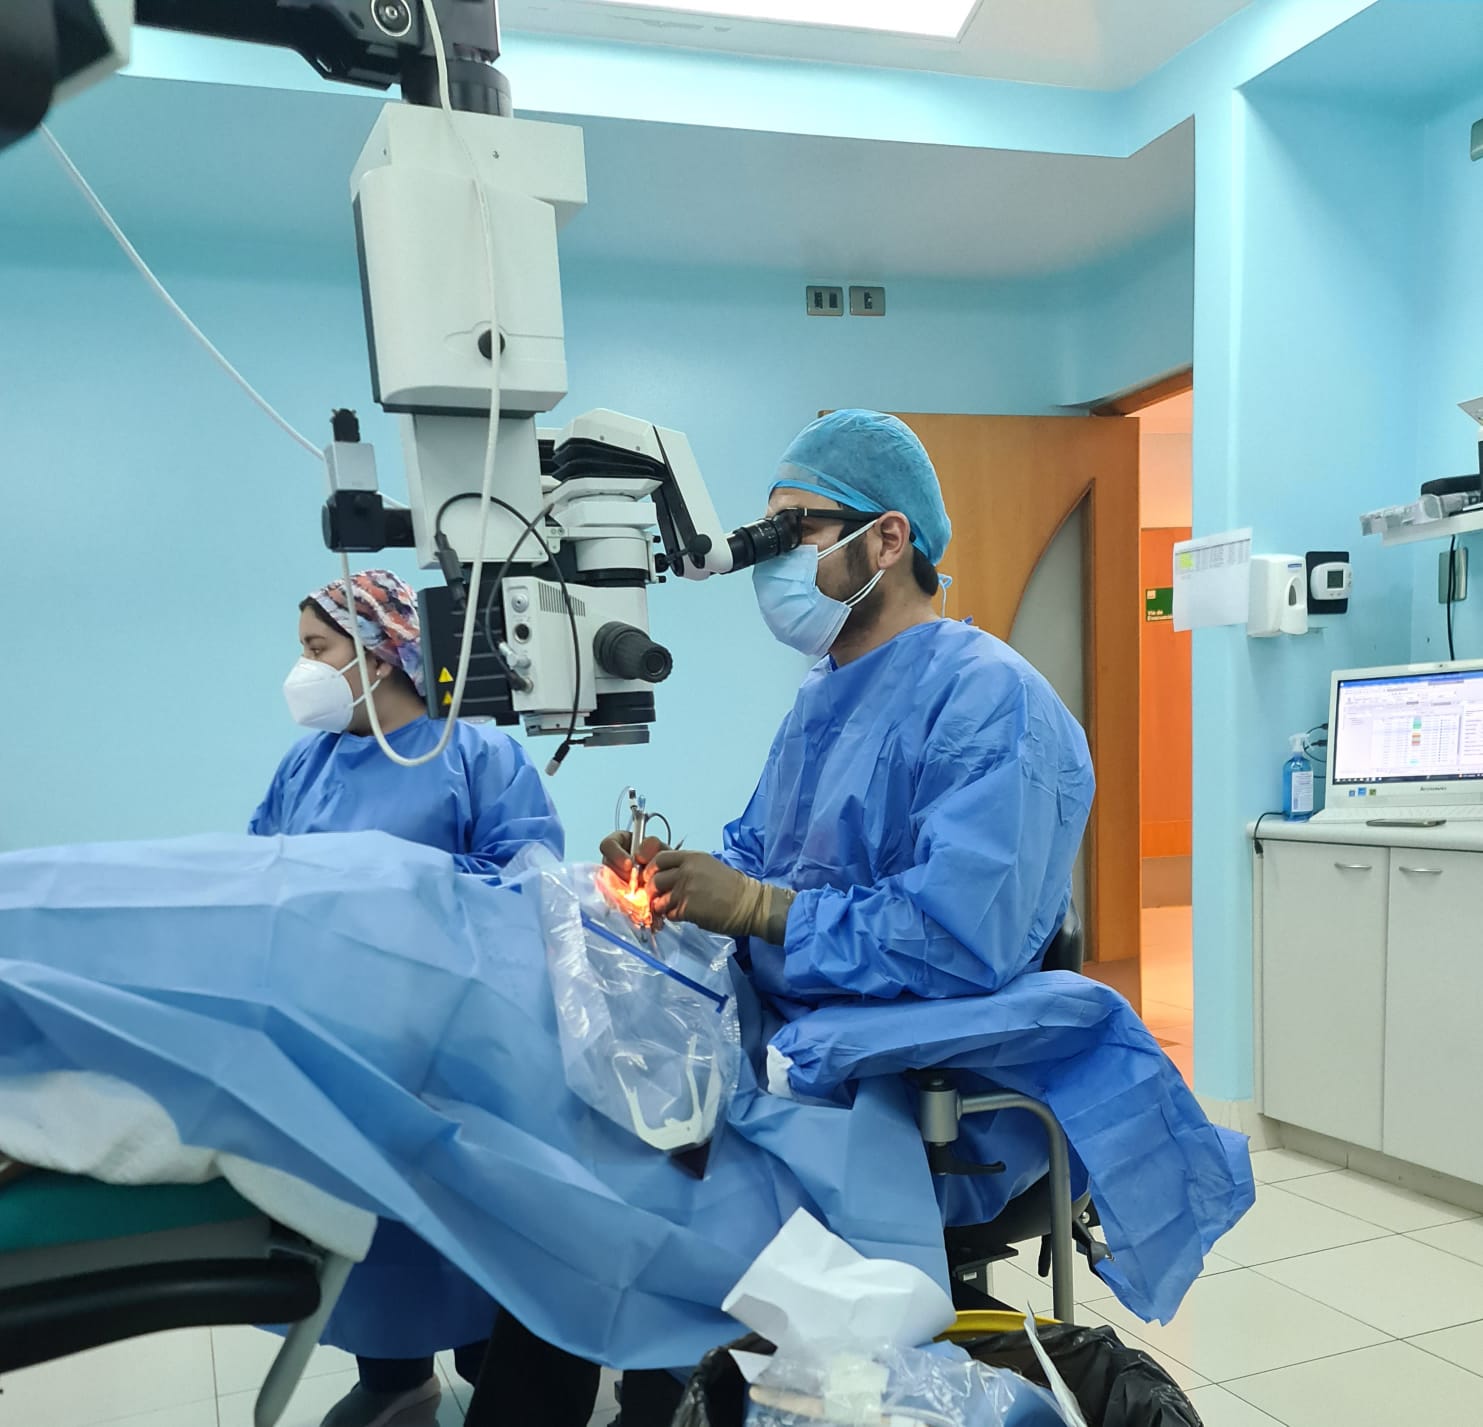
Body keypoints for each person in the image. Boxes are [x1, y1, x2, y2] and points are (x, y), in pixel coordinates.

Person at [604, 408, 1094, 1008]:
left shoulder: (991, 701)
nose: (776, 558)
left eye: (797, 531)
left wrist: (761, 909)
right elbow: (765, 859)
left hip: (911, 1039)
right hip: (806, 1011)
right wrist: (676, 881)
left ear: (888, 540)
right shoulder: (825, 694)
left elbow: (961, 937)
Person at [250, 568, 582, 1427]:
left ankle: (491, 1372)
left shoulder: (476, 755)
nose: (303, 669)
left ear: (376, 654)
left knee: (468, 1225)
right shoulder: (307, 764)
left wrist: (391, 879)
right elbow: (259, 872)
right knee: (368, 1224)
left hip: (456, 1044)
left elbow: (525, 879)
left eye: (317, 648)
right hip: (342, 1040)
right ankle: (396, 1378)